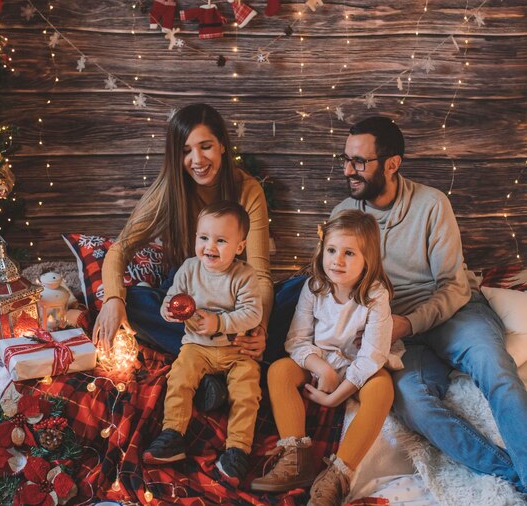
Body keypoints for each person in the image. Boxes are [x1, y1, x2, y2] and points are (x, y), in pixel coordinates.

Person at [331, 116, 527, 493]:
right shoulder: (345, 215)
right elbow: (338, 288)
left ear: (392, 164)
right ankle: (510, 474)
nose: (348, 170)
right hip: (398, 334)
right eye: (345, 159)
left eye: (359, 161)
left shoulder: (431, 204)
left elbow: (453, 287)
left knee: (495, 369)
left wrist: (408, 322)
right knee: (413, 405)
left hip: (453, 314)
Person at [93, 103, 273, 366]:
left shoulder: (248, 189)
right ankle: (220, 360)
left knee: (294, 295)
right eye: (186, 151)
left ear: (222, 144)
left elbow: (259, 274)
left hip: (236, 300)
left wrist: (262, 329)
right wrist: (112, 299)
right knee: (132, 301)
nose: (197, 160)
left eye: (206, 146)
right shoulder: (169, 189)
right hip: (187, 301)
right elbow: (120, 249)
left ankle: (217, 357)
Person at [251, 210, 399, 506]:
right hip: (319, 360)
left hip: (360, 367)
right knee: (279, 370)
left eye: (348, 253)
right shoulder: (314, 288)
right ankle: (296, 458)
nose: (337, 260)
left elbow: (372, 356)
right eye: (331, 250)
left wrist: (336, 395)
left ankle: (338, 474)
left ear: (367, 259)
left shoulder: (375, 296)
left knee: (383, 389)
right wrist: (323, 370)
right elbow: (297, 341)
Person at [143, 201, 262, 483]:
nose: (210, 246)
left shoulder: (244, 275)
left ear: (240, 246)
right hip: (197, 347)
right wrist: (169, 311)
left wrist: (220, 323)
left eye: (221, 241)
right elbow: (172, 298)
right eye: (204, 238)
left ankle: (237, 450)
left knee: (247, 390)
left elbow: (253, 313)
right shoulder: (189, 269)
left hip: (236, 351)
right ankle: (173, 434)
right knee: (180, 376)